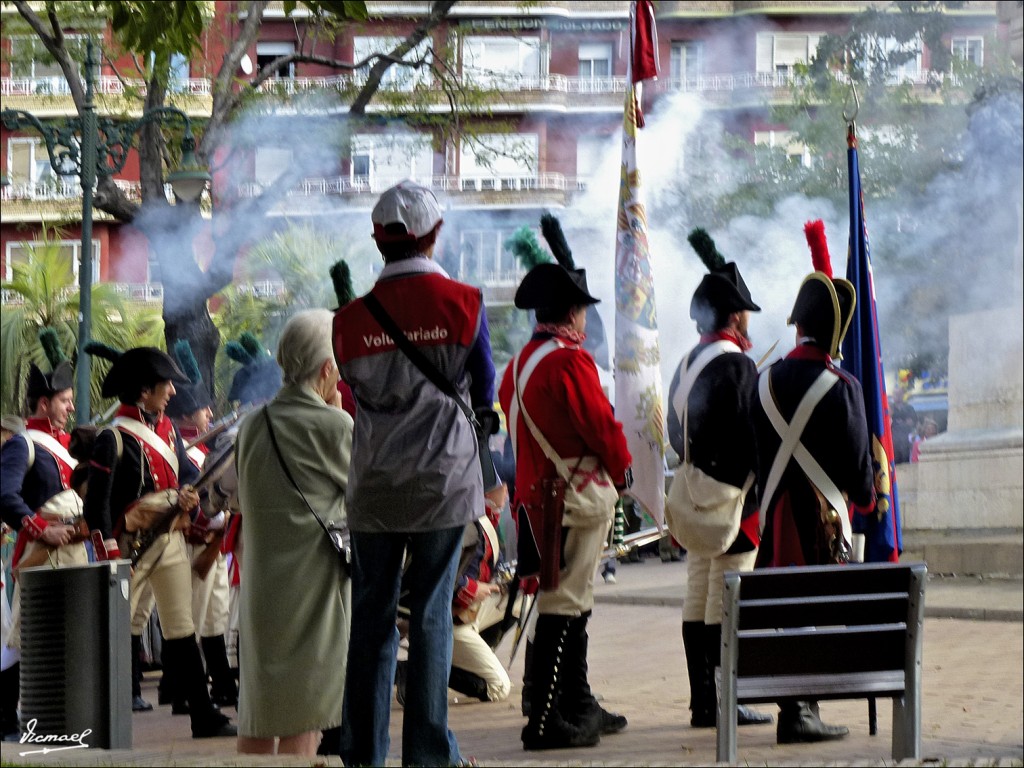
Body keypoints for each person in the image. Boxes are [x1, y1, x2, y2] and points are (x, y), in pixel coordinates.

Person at [333, 180, 495, 767]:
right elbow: (485, 387)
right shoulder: (464, 303)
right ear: (434, 234)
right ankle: (429, 755)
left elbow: (351, 394)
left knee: (371, 619)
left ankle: (363, 756)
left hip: (374, 482)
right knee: (431, 615)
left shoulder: (348, 321)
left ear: (378, 242)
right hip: (443, 482)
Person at [498, 258, 632, 751]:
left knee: (572, 601)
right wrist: (624, 470)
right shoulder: (571, 362)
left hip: (537, 498)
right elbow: (601, 428)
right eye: (582, 311)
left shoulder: (516, 368)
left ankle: (577, 704)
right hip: (574, 497)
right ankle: (544, 719)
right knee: (565, 604)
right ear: (572, 314)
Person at [752, 220, 874, 743]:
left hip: (776, 519)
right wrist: (867, 498)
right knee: (810, 606)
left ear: (799, 326)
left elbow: (758, 455)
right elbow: (857, 470)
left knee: (788, 605)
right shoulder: (843, 387)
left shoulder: (762, 380)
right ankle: (799, 711)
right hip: (822, 522)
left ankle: (798, 706)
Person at [83, 343, 236, 739]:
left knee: (181, 627)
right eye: (165, 385)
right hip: (128, 546)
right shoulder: (113, 438)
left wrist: (189, 495)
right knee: (112, 630)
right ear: (143, 390)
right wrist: (111, 556)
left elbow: (186, 473)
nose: (172, 391)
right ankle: (94, 715)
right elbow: (96, 505)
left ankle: (203, 715)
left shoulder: (167, 430)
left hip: (167, 539)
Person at [667, 228, 773, 731]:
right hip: (734, 499)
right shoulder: (737, 365)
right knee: (726, 597)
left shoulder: (687, 364)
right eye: (744, 311)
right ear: (734, 317)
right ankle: (724, 701)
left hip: (691, 493)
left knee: (698, 592)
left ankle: (702, 702)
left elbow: (673, 429)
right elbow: (750, 436)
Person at [234, 309, 353, 756]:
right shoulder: (334, 426)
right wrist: (338, 415)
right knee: (307, 709)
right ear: (326, 369)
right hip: (314, 589)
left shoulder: (252, 425)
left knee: (261, 710)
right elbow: (362, 498)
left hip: (263, 588)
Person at [0, 340, 82, 739]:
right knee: (24, 634)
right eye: (64, 401)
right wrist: (39, 529)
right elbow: (5, 495)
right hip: (39, 550)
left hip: (71, 549)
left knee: (57, 634)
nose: (70, 407)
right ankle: (4, 718)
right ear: (44, 403)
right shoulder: (25, 444)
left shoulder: (68, 447)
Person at [165, 340, 236, 711]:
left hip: (213, 541)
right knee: (190, 619)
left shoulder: (205, 450)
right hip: (195, 542)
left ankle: (222, 684)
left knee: (214, 617)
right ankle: (182, 692)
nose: (209, 413)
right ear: (187, 415)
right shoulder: (184, 452)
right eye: (202, 408)